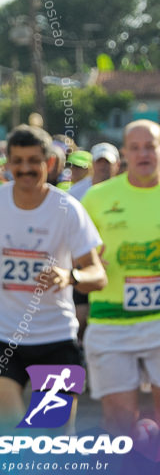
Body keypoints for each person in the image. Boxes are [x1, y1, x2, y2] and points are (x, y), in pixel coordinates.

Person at [0, 125, 107, 431]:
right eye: (17, 161)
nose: (25, 169)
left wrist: (69, 275)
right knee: (12, 432)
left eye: (33, 161)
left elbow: (98, 274)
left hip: (55, 336)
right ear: (7, 165)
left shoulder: (68, 209)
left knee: (52, 438)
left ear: (49, 163)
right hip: (0, 336)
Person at [81, 120, 160, 436]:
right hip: (111, 321)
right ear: (125, 153)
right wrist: (86, 263)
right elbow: (75, 256)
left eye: (151, 146)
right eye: (136, 147)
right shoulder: (97, 198)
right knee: (118, 424)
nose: (144, 153)